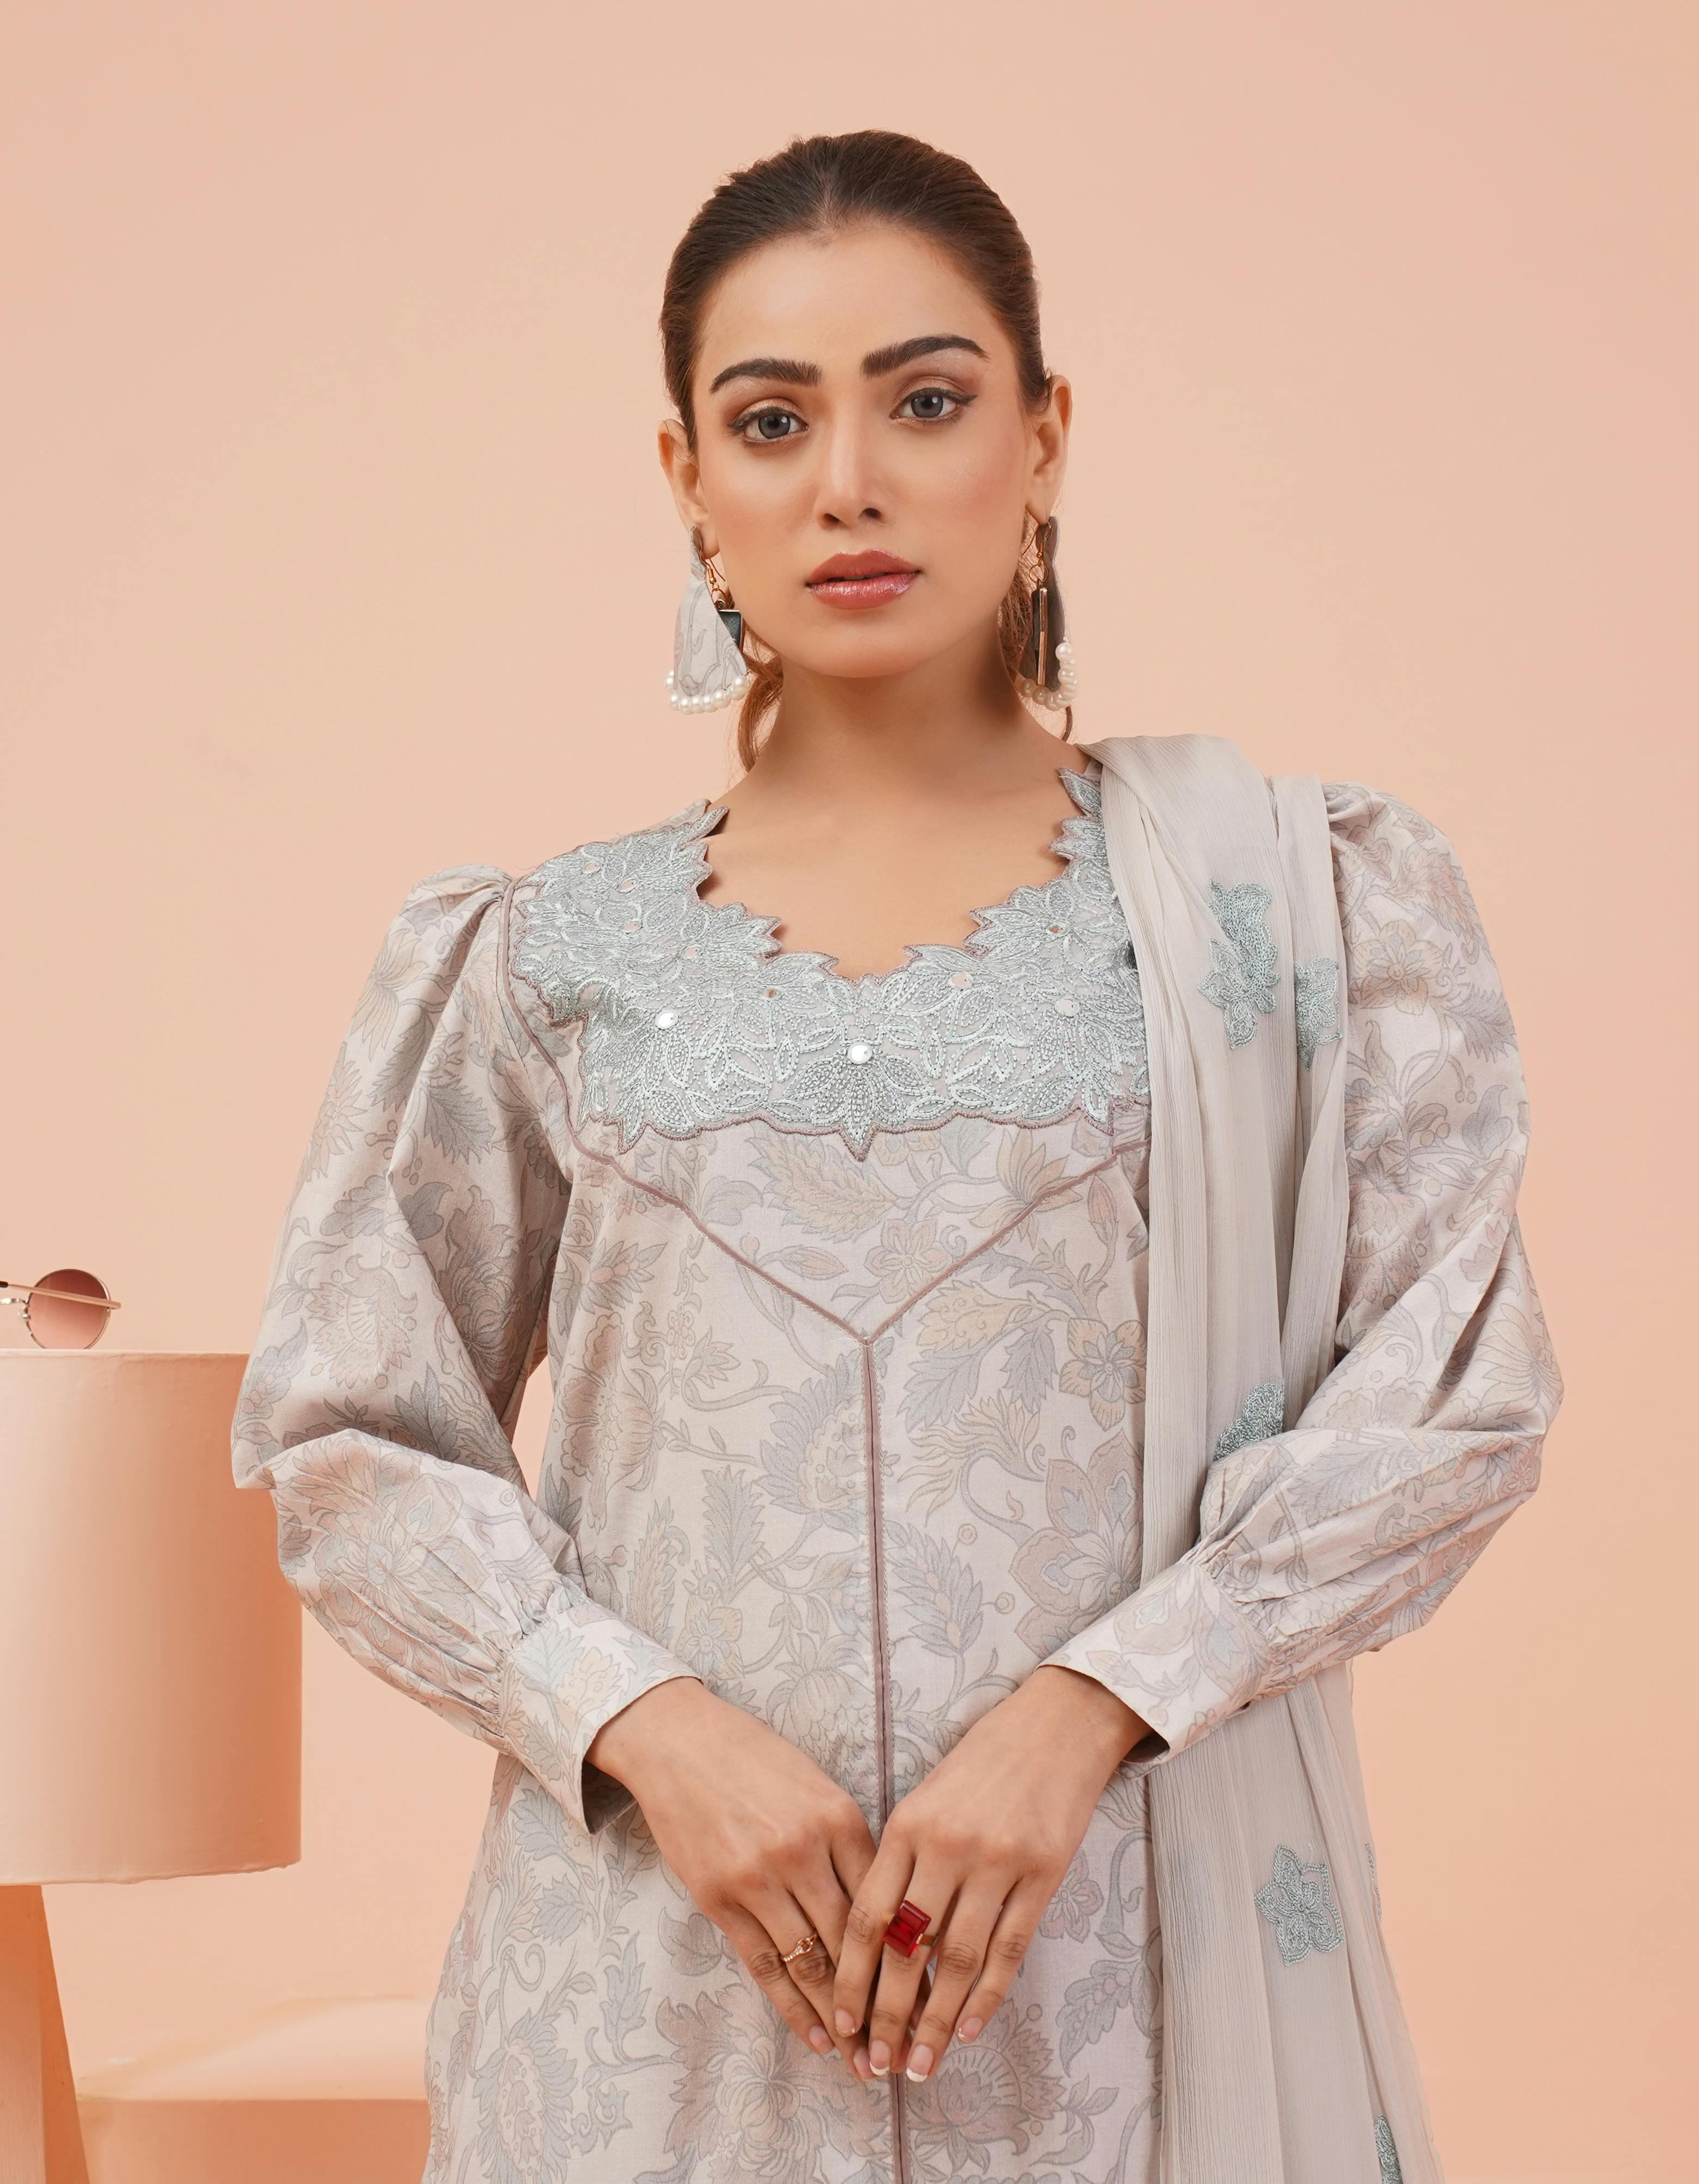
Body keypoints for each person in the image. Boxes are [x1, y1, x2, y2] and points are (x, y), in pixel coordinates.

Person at [235, 130, 1560, 2184]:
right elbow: (347, 1434)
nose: (847, 478)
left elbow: (1454, 1398)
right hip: (648, 2007)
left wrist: (1093, 1709)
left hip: (1127, 1989)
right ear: (688, 481)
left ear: (1042, 438)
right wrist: (644, 1727)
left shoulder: (1278, 914)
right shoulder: (540, 955)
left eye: (925, 400)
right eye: (771, 420)